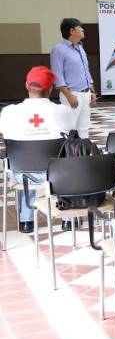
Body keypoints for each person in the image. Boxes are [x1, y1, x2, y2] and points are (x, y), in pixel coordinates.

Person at [0, 67, 75, 233]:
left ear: (27, 85)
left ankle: (26, 221)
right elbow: (72, 135)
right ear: (50, 88)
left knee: (23, 164)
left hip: (20, 174)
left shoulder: (8, 112)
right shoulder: (64, 111)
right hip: (58, 174)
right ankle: (68, 220)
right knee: (68, 159)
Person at [50, 17, 96, 138]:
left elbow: (86, 71)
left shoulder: (80, 47)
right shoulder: (58, 49)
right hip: (71, 94)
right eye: (80, 27)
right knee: (69, 128)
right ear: (71, 31)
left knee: (84, 127)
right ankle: (69, 150)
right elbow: (57, 75)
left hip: (86, 93)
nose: (83, 29)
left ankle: (83, 149)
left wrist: (92, 91)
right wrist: (69, 96)